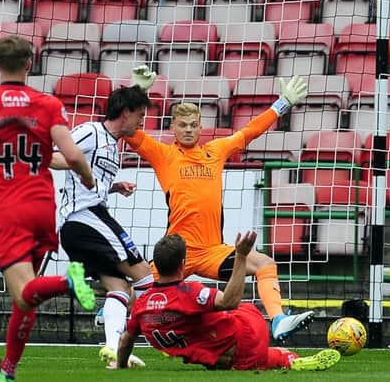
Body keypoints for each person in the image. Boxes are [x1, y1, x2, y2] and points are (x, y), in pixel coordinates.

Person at [125, 66, 314, 342]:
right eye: (182, 125)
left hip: (213, 250)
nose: (188, 130)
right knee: (136, 290)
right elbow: (129, 131)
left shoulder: (216, 151)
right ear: (173, 128)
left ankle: (278, 320)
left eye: (193, 125)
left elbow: (249, 132)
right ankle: (114, 326)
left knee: (265, 263)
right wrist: (137, 91)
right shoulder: (163, 154)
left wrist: (282, 104)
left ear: (201, 128)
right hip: (179, 254)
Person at [0, 35, 97, 382]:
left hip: (6, 209)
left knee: (22, 291)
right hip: (41, 207)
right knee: (27, 297)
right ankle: (8, 370)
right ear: (30, 64)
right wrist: (89, 180)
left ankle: (67, 282)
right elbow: (73, 156)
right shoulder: (47, 104)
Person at [116, 232, 340, 371]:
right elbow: (230, 302)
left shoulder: (142, 304)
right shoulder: (189, 292)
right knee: (244, 309)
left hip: (214, 356)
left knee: (263, 355)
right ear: (182, 265)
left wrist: (121, 365)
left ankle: (288, 360)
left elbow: (126, 340)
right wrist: (241, 257)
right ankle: (287, 350)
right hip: (244, 338)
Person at [50, 84, 156, 368]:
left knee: (120, 287)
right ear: (125, 113)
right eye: (140, 115)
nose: (142, 121)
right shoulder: (91, 132)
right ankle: (164, 333)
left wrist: (114, 187)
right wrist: (67, 162)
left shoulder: (113, 146)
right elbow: (56, 155)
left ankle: (113, 348)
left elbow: (89, 182)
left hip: (85, 222)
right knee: (145, 276)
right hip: (84, 218)